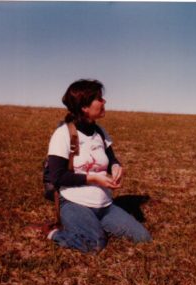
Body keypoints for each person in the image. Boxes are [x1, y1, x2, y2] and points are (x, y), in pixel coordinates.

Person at [45, 79, 151, 252]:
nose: (104, 102)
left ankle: (94, 226)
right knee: (95, 244)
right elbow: (57, 177)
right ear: (84, 107)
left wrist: (116, 168)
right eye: (99, 99)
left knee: (143, 238)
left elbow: (112, 160)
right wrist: (92, 178)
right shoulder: (62, 134)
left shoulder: (100, 132)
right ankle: (55, 233)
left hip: (105, 204)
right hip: (74, 203)